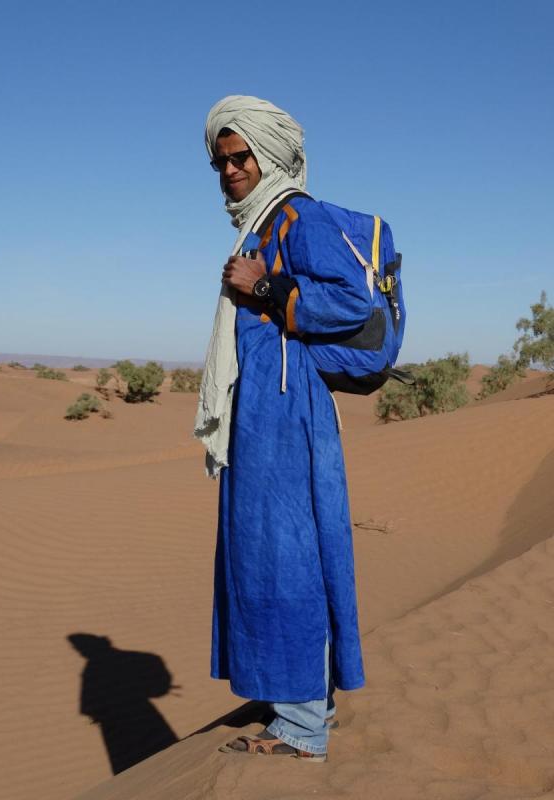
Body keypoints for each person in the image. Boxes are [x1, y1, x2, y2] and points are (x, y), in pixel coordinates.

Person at [194, 96, 370, 762]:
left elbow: (352, 296)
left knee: (288, 555)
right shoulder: (261, 225)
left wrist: (269, 288)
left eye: (241, 156)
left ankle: (302, 725)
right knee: (260, 555)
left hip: (289, 416)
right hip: (259, 414)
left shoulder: (301, 215)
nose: (230, 169)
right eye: (221, 160)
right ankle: (295, 701)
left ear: (268, 155)